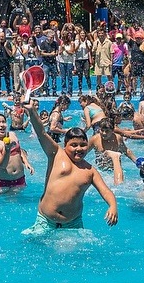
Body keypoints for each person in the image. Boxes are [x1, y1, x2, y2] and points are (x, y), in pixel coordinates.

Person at [25, 93, 118, 229]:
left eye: (83, 145)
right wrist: (32, 112)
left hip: (73, 223)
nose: (79, 149)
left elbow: (106, 191)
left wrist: (113, 206)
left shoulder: (90, 171)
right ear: (65, 145)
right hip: (45, 221)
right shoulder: (56, 154)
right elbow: (42, 133)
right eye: (74, 145)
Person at [0, 111, 32, 191]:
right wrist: (7, 150)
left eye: (3, 122)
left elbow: (19, 150)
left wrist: (26, 162)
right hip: (2, 183)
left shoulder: (12, 135)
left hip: (19, 179)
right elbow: (2, 165)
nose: (1, 125)